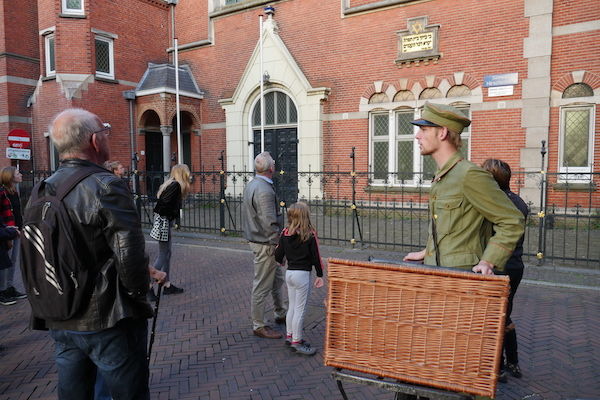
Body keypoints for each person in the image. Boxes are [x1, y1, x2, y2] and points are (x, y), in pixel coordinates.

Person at [25, 108, 166, 400]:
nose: (107, 138)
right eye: (105, 132)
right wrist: (139, 296)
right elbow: (129, 255)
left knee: (74, 392)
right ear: (94, 141)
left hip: (60, 312)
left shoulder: (41, 189)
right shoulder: (107, 185)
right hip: (106, 318)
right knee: (129, 391)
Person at [403, 102, 525, 274]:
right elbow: (451, 231)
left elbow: (512, 221)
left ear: (443, 133)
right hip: (437, 270)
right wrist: (427, 252)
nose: (417, 136)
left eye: (424, 130)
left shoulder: (469, 174)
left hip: (462, 278)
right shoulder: (443, 175)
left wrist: (488, 261)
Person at [482, 159, 528, 382]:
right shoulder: (519, 201)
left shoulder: (493, 203)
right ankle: (513, 363)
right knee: (505, 313)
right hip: (516, 266)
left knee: (494, 317)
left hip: (498, 266)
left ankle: (497, 367)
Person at [242, 151, 287, 339]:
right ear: (271, 168)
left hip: (258, 239)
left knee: (277, 279)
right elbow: (269, 222)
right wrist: (279, 246)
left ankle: (280, 312)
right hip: (266, 243)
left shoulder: (252, 184)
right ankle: (258, 325)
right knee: (262, 284)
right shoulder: (264, 190)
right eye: (274, 163)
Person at [275, 202, 324, 356]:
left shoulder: (285, 232)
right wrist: (320, 275)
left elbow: (277, 255)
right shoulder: (309, 234)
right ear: (305, 216)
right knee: (300, 310)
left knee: (292, 307)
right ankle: (297, 341)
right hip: (302, 275)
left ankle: (290, 336)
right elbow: (316, 257)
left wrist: (282, 262)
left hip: (289, 274)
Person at [151, 163, 190, 297]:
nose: (189, 175)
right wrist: (169, 218)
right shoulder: (175, 186)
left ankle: (167, 284)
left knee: (167, 254)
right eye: (187, 172)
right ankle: (148, 284)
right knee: (163, 254)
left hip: (164, 221)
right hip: (164, 222)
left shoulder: (172, 184)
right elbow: (163, 205)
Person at [0, 166, 26, 304]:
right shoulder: (2, 192)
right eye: (17, 173)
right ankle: (2, 291)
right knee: (5, 262)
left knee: (13, 261)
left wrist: (20, 229)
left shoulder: (14, 192)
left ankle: (9, 288)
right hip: (7, 233)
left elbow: (17, 213)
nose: (20, 174)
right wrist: (6, 230)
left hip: (15, 231)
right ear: (10, 176)